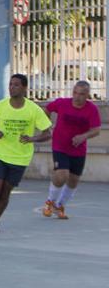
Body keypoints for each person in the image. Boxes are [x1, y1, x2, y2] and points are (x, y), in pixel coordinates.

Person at [0, 74, 52, 233]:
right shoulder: (0, 106)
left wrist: (32, 138)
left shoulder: (33, 109)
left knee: (5, 191)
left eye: (16, 85)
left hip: (20, 157)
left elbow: (47, 133)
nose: (12, 87)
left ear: (24, 88)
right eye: (10, 84)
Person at [41, 81, 101, 220]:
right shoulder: (62, 103)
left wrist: (83, 136)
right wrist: (47, 126)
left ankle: (60, 205)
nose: (77, 97)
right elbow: (46, 110)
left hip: (78, 149)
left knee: (73, 180)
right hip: (60, 146)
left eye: (81, 94)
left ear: (87, 95)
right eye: (75, 93)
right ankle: (50, 201)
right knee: (62, 174)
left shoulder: (91, 109)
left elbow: (96, 130)